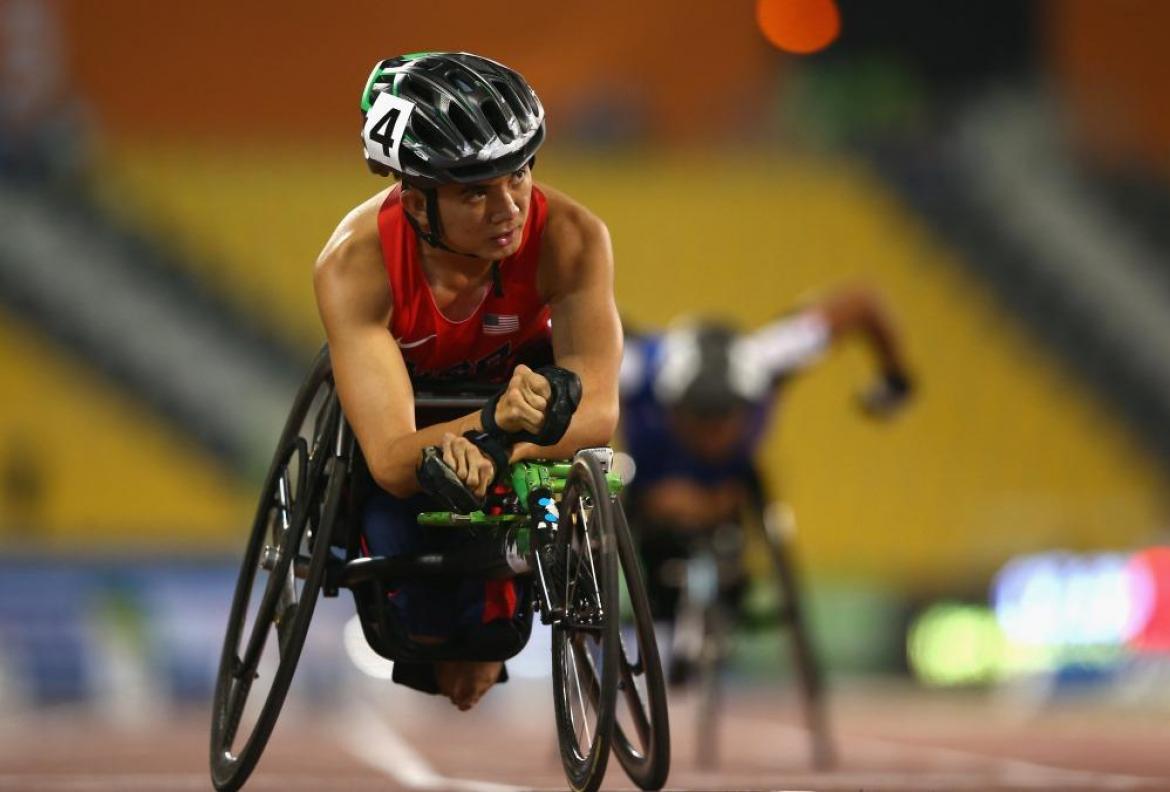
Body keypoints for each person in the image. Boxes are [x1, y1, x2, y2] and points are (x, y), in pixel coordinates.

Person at [313, 52, 620, 711]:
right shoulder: (355, 263)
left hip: (525, 425)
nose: (508, 207)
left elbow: (596, 412)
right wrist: (486, 426)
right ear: (413, 197)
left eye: (519, 175)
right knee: (417, 619)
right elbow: (396, 461)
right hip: (421, 436)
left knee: (489, 637)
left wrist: (502, 446)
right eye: (474, 192)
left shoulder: (572, 237)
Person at [618, 287, 913, 681]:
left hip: (733, 486)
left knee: (741, 495)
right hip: (649, 479)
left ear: (750, 401)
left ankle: (728, 591)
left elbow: (862, 304)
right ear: (669, 404)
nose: (712, 437)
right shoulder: (634, 368)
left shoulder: (768, 361)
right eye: (699, 421)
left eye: (724, 421)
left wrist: (895, 377)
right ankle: (662, 607)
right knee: (628, 487)